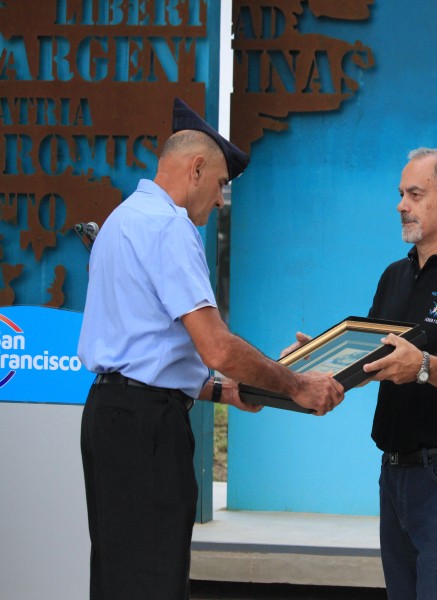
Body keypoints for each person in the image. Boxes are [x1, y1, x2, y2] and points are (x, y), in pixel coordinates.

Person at [78, 98, 344, 600]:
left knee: (119, 577)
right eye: (221, 184)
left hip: (110, 417)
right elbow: (216, 346)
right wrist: (298, 384)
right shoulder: (169, 226)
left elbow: (150, 352)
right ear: (196, 168)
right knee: (154, 579)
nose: (221, 200)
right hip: (147, 427)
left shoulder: (120, 220)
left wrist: (227, 393)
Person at [284, 148, 437, 599]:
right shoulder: (393, 276)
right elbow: (371, 361)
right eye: (401, 194)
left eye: (415, 194)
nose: (401, 204)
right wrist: (317, 362)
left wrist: (423, 367)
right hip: (394, 473)